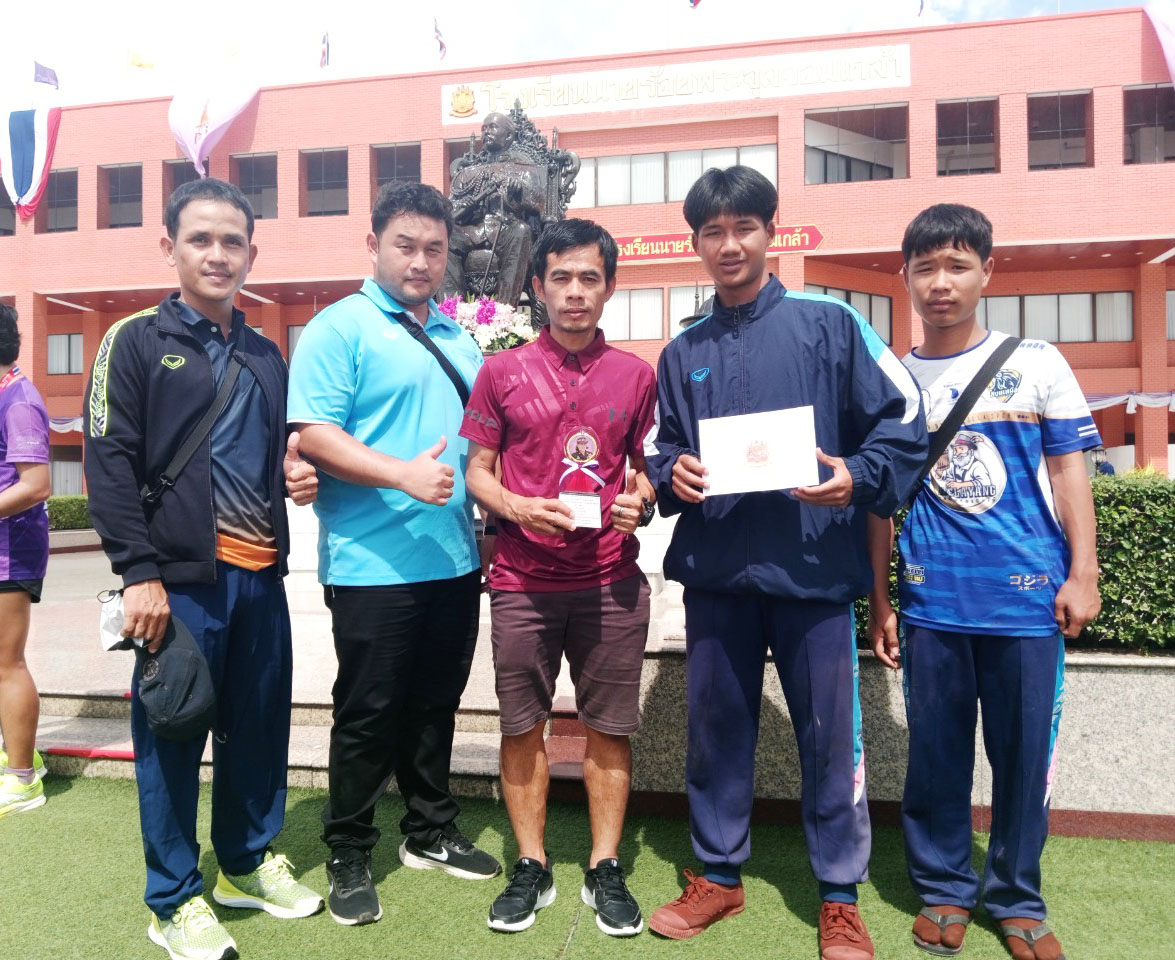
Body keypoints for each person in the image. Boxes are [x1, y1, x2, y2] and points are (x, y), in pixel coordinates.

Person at [644, 166, 927, 960]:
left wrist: (856, 476)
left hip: (811, 571)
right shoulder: (682, 351)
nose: (728, 244)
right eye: (712, 231)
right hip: (716, 577)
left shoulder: (830, 325)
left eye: (744, 227)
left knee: (829, 740)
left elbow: (902, 418)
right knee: (715, 731)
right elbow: (660, 446)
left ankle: (838, 896)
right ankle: (717, 875)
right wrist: (672, 472)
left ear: (771, 231)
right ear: (695, 242)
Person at [84, 178, 323, 960]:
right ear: (170, 248)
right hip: (177, 587)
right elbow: (108, 464)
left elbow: (275, 454)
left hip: (259, 577)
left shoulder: (265, 354)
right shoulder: (134, 341)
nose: (218, 255)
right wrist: (138, 573)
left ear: (251, 253)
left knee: (257, 731)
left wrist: (295, 476)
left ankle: (245, 864)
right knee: (174, 738)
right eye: (200, 239)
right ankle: (174, 899)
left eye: (232, 242)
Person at [867, 204, 1101, 960]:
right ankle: (942, 888)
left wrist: (1083, 572)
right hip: (932, 603)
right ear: (905, 277)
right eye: (925, 268)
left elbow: (1069, 473)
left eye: (957, 265)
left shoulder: (1036, 363)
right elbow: (879, 500)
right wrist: (881, 598)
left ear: (986, 272)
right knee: (936, 760)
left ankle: (1016, 898)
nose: (941, 283)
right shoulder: (892, 380)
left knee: (1023, 761)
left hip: (1027, 604)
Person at [287, 180, 501, 928]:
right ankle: (348, 847)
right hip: (371, 563)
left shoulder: (457, 336)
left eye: (434, 250)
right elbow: (314, 434)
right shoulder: (337, 329)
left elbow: (483, 443)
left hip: (453, 559)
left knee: (435, 706)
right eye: (405, 246)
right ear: (373, 245)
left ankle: (429, 828)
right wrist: (401, 475)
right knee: (368, 713)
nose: (419, 262)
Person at [461, 218, 658, 936]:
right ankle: (531, 863)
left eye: (589, 278)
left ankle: (605, 865)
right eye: (562, 278)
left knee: (609, 728)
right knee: (522, 726)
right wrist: (516, 507)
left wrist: (641, 499)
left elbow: (646, 470)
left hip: (610, 580)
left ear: (609, 287)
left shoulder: (636, 376)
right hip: (521, 579)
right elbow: (476, 472)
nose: (575, 292)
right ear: (538, 287)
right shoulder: (501, 372)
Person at [0, 303, 51, 819]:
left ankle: (22, 779)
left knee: (6, 662)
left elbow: (36, 485)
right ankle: (19, 755)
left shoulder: (19, 399)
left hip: (10, 551)